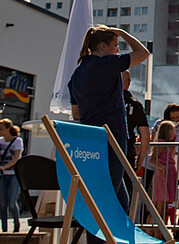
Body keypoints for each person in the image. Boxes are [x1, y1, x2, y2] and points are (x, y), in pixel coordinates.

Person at [69, 25, 150, 219]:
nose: (117, 50)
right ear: (103, 46)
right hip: (112, 133)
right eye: (115, 45)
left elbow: (76, 114)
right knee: (106, 196)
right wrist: (122, 33)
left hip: (89, 138)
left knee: (115, 193)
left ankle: (120, 235)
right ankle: (100, 238)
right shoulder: (106, 64)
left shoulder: (77, 75)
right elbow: (143, 53)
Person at [122, 70, 150, 201]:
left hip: (106, 150)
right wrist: (139, 161)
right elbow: (145, 136)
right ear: (129, 83)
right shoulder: (136, 105)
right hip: (127, 151)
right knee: (126, 192)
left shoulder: (106, 102)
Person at [0, 118, 24, 233]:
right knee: (3, 203)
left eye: (1, 129)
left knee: (12, 202)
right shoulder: (0, 141)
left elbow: (16, 158)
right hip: (3, 175)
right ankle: (4, 228)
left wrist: (4, 167)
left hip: (14, 174)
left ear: (8, 128)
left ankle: (16, 224)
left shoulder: (17, 141)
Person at [151, 120, 179, 226]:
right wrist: (162, 168)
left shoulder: (169, 144)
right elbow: (152, 160)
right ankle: (156, 230)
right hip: (162, 175)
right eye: (172, 131)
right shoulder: (161, 143)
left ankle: (162, 229)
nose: (174, 134)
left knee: (165, 205)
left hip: (169, 175)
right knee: (160, 205)